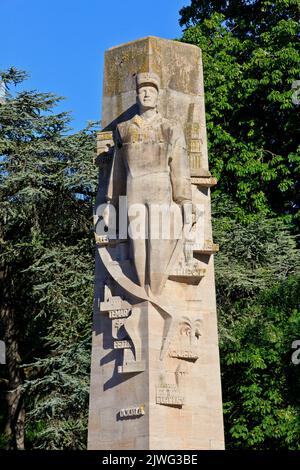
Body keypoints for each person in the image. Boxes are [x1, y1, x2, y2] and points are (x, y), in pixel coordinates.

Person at [105, 72, 192, 295]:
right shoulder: (123, 129)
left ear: (157, 96)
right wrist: (110, 203)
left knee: (158, 240)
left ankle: (156, 290)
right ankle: (143, 289)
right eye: (141, 90)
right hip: (134, 188)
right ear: (136, 96)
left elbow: (179, 167)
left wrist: (185, 203)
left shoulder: (170, 127)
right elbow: (117, 171)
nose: (146, 94)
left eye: (150, 90)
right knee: (137, 242)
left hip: (161, 187)